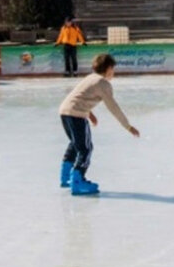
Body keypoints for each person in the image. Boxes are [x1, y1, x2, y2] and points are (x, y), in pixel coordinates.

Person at [57, 53, 140, 195]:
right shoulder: (103, 83)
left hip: (65, 111)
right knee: (86, 148)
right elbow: (113, 107)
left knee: (75, 144)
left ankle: (65, 177)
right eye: (113, 69)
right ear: (108, 69)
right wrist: (127, 126)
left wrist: (90, 114)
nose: (113, 72)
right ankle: (77, 181)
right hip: (77, 114)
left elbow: (80, 96)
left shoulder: (90, 78)